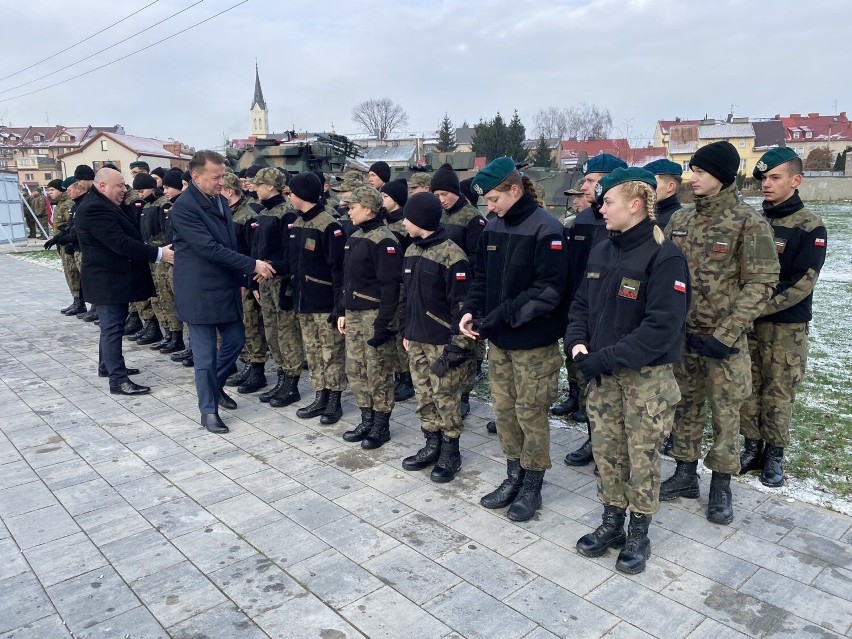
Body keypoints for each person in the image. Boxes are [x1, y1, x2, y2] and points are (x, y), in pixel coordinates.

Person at [566, 168, 688, 574]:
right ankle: (611, 523)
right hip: (603, 375)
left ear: (635, 205)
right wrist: (576, 341)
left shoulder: (664, 255)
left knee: (642, 457)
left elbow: (661, 329)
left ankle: (639, 533)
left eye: (608, 202)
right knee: (607, 452)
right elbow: (581, 303)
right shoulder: (603, 248)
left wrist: (603, 358)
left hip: (644, 381)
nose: (601, 208)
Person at [661, 141, 779, 525]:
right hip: (682, 337)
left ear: (722, 176)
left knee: (726, 413)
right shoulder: (679, 220)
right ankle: (684, 473)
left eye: (700, 171)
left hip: (723, 343)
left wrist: (726, 334)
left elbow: (761, 284)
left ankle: (722, 485)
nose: (691, 177)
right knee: (684, 406)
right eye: (691, 170)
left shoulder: (748, 222)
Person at [459, 157, 568, 522]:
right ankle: (513, 474)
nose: (490, 208)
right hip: (500, 340)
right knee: (504, 411)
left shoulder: (547, 229)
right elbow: (481, 278)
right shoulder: (493, 227)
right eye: (487, 202)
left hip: (533, 343)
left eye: (494, 199)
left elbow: (550, 290)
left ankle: (532, 484)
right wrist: (471, 310)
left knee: (530, 413)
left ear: (515, 190)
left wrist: (504, 313)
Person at [169, 150, 275, 433]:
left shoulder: (218, 200)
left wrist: (242, 277)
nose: (221, 182)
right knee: (204, 355)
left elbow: (230, 244)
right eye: (216, 177)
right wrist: (252, 264)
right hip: (199, 291)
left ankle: (213, 387)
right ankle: (208, 411)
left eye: (222, 177)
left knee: (236, 340)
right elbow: (208, 249)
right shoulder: (184, 207)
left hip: (225, 286)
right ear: (196, 176)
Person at [739, 148, 827, 487]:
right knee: (749, 387)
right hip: (750, 325)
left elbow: (802, 282)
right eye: (763, 178)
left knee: (778, 391)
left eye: (775, 177)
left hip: (785, 327)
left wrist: (752, 306)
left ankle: (774, 453)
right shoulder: (754, 223)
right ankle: (751, 447)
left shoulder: (810, 226)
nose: (766, 184)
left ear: (796, 180)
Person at [73, 168, 174, 394]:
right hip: (106, 280)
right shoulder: (95, 208)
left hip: (109, 279)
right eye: (119, 185)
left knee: (111, 327)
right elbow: (119, 242)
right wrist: (157, 254)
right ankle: (118, 380)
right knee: (112, 328)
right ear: (102, 186)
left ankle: (107, 366)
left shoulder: (101, 204)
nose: (124, 189)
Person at [400, 192, 473, 482]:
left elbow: (462, 306)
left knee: (445, 397)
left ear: (419, 220)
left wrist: (458, 346)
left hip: (442, 342)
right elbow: (406, 296)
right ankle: (432, 444)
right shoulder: (411, 251)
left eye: (408, 217)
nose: (403, 222)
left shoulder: (452, 256)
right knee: (423, 395)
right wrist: (407, 330)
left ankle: (450, 453)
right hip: (416, 338)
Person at [563, 153, 628, 464]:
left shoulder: (626, 226)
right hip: (584, 312)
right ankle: (594, 439)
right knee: (591, 386)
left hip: (617, 323)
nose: (585, 186)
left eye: (591, 181)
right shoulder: (586, 218)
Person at [336, 186, 403, 448]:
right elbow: (347, 279)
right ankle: (366, 417)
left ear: (367, 208)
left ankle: (381, 425)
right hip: (353, 314)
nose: (348, 212)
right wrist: (342, 309)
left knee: (378, 370)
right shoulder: (355, 236)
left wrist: (384, 323)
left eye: (352, 207)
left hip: (374, 315)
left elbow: (391, 286)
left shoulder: (384, 241)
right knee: (356, 368)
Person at [284, 172, 347, 424]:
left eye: (291, 193)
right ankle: (321, 394)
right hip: (304, 301)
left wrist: (338, 306)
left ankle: (334, 400)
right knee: (313, 352)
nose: (289, 197)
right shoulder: (299, 224)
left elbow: (338, 270)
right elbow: (294, 265)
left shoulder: (328, 225)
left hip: (324, 304)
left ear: (301, 195)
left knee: (331, 352)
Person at [431, 163, 487, 418]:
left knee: (466, 346)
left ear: (456, 191)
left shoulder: (472, 218)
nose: (441, 200)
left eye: (445, 194)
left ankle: (464, 395)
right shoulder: (439, 216)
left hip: (466, 290)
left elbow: (478, 259)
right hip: (443, 288)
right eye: (437, 195)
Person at [249, 168, 304, 408]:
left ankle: (291, 382)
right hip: (264, 282)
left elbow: (290, 254)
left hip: (281, 282)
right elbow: (256, 249)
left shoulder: (286, 214)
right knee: (271, 330)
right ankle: (281, 376)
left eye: (258, 184)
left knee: (286, 332)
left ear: (270, 186)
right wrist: (253, 278)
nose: (254, 188)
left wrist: (274, 269)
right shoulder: (264, 212)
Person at [223, 171, 269, 394]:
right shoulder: (228, 213)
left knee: (252, 325)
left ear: (229, 191)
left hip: (246, 280)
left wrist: (250, 282)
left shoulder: (246, 216)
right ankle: (250, 365)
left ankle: (257, 370)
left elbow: (253, 253)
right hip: (232, 278)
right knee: (243, 324)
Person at [550, 178, 586, 420]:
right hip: (570, 298)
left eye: (579, 195)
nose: (575, 201)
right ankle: (574, 395)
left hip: (588, 300)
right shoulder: (570, 225)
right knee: (571, 352)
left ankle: (585, 401)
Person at [380, 178, 415, 402]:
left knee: (401, 331)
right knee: (391, 333)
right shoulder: (384, 224)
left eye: (386, 197)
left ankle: (406, 378)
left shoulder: (405, 227)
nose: (382, 200)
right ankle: (398, 373)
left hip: (402, 286)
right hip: (387, 285)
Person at [644, 159, 683, 231]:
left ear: (670, 187)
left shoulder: (676, 221)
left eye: (651, 184)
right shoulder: (651, 214)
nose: (646, 189)